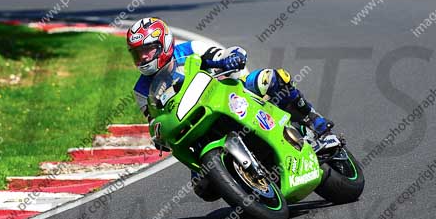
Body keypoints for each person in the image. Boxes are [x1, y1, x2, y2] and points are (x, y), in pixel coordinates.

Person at [127, 16, 334, 140]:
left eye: (148, 50)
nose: (144, 57)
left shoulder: (190, 49)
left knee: (273, 79)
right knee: (203, 187)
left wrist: (232, 57)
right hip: (199, 124)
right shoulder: (141, 90)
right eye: (138, 53)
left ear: (164, 44)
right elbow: (155, 120)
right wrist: (159, 135)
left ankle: (312, 119)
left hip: (233, 93)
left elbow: (221, 54)